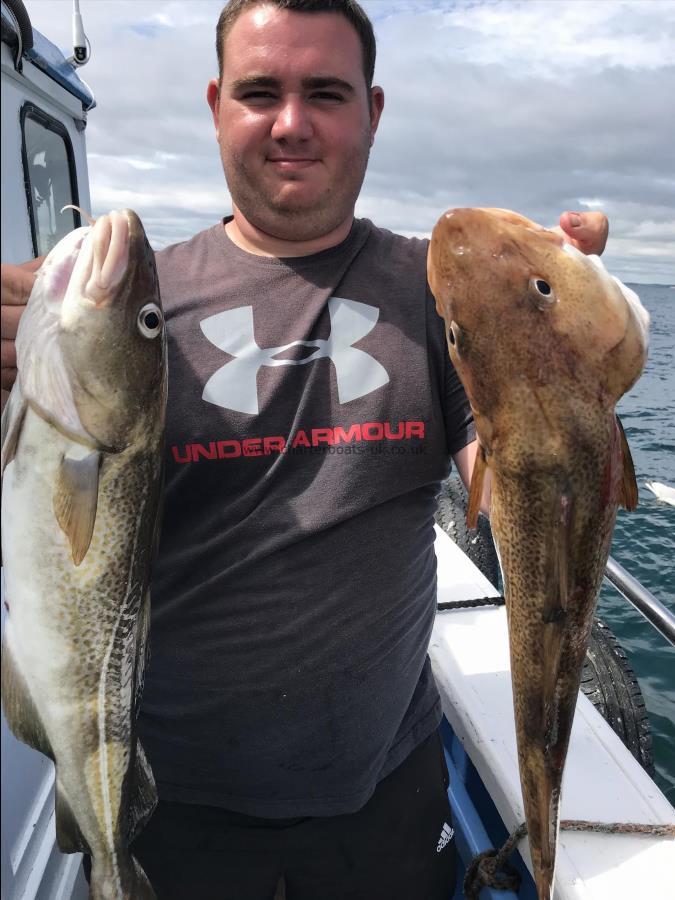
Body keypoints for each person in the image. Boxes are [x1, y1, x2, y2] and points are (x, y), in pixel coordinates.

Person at [0, 2, 608, 898]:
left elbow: (512, 480)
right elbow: (57, 516)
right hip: (173, 801)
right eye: (259, 92)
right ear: (216, 106)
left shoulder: (441, 293)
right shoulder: (129, 317)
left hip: (386, 796)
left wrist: (565, 358)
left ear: (373, 109)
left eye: (324, 92)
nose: (291, 123)